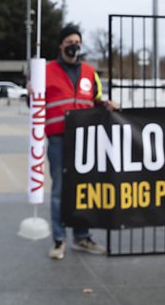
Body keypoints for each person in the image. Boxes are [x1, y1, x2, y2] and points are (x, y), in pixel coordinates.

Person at [45, 25, 118, 260]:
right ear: (61, 45)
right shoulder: (46, 71)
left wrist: (106, 104)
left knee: (82, 189)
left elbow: (95, 100)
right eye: (69, 41)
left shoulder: (89, 71)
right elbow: (33, 103)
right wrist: (30, 92)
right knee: (59, 191)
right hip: (58, 138)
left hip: (85, 140)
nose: (74, 45)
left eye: (77, 41)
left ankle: (82, 236)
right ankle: (59, 240)